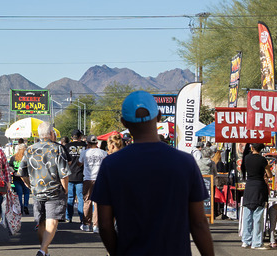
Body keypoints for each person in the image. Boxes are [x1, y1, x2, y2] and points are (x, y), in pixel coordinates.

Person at [91, 91, 214, 256]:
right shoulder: (185, 162)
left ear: (124, 122)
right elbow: (199, 223)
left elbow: (105, 224)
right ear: (159, 117)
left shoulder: (111, 165)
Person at [19, 122, 69, 256]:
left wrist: (29, 184)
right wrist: (65, 188)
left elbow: (21, 171)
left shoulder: (30, 149)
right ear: (52, 134)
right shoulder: (57, 149)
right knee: (52, 220)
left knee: (41, 221)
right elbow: (63, 173)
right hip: (54, 190)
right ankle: (42, 249)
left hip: (37, 191)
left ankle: (44, 251)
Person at [241, 142, 273, 249]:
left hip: (249, 187)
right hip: (259, 188)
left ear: (252, 148)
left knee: (247, 216)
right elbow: (269, 175)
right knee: (258, 216)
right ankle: (256, 242)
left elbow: (243, 169)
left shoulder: (246, 158)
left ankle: (246, 241)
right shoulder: (263, 160)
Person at [79, 135, 107, 233]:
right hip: (100, 179)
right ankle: (96, 225)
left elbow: (79, 163)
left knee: (87, 201)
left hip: (88, 178)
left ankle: (86, 224)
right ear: (97, 143)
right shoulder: (103, 152)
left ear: (87, 142)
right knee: (97, 202)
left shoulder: (84, 153)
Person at [64, 129, 86, 223]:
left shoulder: (67, 146)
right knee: (81, 198)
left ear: (72, 137)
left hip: (69, 175)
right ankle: (82, 217)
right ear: (80, 137)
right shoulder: (85, 146)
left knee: (70, 197)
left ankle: (68, 217)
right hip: (81, 175)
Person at [8, 143, 30, 215]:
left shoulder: (13, 157)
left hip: (16, 178)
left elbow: (9, 166)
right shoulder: (27, 157)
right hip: (26, 177)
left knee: (19, 193)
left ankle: (20, 207)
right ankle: (26, 205)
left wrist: (14, 171)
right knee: (27, 192)